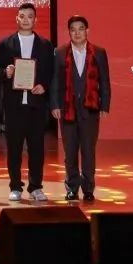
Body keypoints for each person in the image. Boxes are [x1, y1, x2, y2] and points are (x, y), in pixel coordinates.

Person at [0, 2, 56, 202]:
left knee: (37, 148)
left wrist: (44, 86)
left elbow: (51, 72)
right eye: (22, 16)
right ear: (17, 18)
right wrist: (5, 72)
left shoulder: (45, 45)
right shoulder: (5, 44)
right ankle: (15, 186)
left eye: (30, 16)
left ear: (35, 20)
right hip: (14, 105)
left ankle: (36, 187)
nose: (26, 19)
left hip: (36, 105)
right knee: (14, 148)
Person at [50, 15, 111, 201]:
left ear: (87, 31)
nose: (77, 33)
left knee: (88, 151)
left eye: (81, 29)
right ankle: (72, 188)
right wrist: (55, 105)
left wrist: (105, 105)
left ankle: (89, 188)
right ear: (69, 32)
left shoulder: (99, 52)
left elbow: (104, 81)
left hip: (90, 108)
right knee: (70, 152)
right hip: (67, 108)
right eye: (73, 29)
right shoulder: (60, 52)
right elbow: (55, 81)